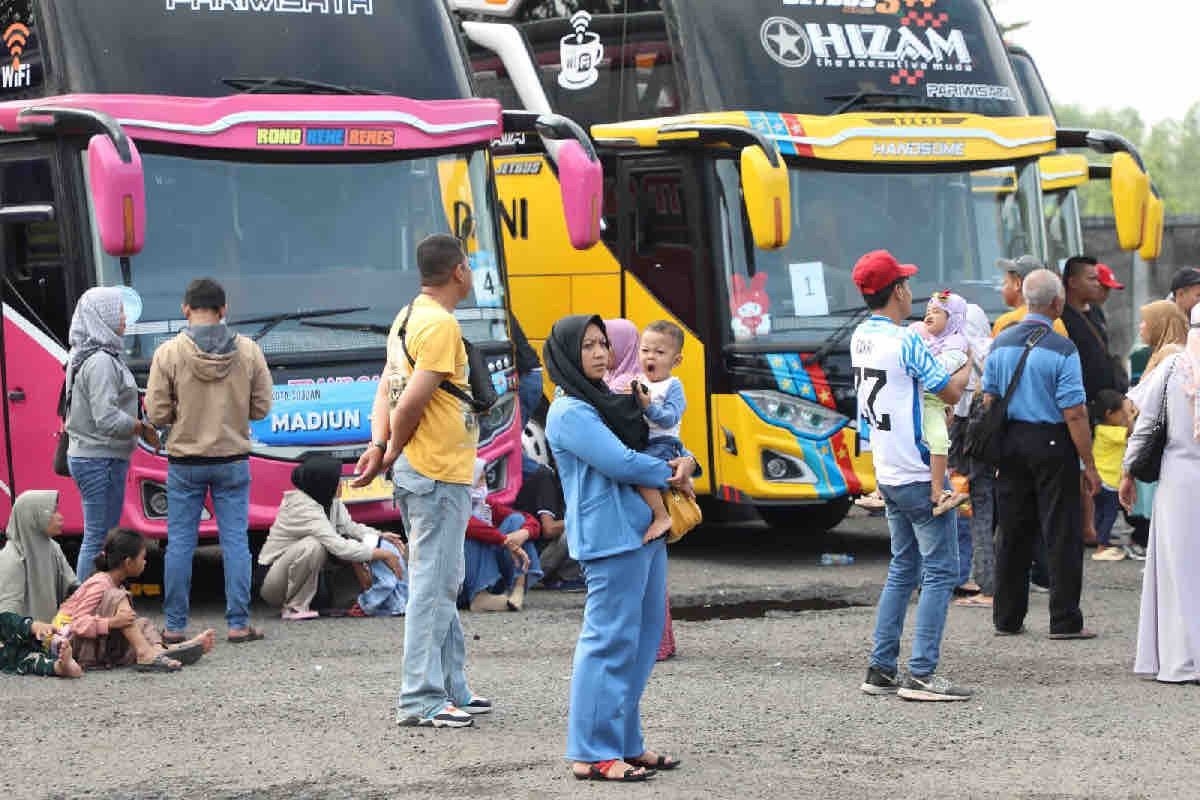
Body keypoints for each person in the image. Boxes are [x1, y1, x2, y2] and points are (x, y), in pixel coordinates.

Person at [544, 314, 694, 781]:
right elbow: (622, 461)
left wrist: (688, 460)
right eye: (587, 345)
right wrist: (676, 472)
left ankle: (626, 743)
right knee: (608, 642)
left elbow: (655, 441)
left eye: (602, 344)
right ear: (568, 354)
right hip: (610, 538)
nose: (599, 353)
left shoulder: (608, 401)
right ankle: (590, 752)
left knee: (642, 641)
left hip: (642, 531)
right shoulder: (570, 412)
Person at [353, 234, 488, 729]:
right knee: (432, 587)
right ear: (458, 271)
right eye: (469, 265)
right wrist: (389, 451)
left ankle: (454, 688)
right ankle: (421, 699)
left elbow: (385, 390)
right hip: (435, 471)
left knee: (443, 581)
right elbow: (409, 402)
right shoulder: (440, 324)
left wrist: (377, 445)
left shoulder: (408, 317)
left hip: (428, 471)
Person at [848, 250, 971, 702]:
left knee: (903, 567)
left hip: (888, 469)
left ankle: (881, 667)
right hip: (921, 470)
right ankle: (921, 673)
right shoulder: (907, 341)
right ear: (897, 290)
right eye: (906, 283)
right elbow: (950, 390)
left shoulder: (860, 335)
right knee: (941, 571)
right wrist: (968, 358)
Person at [145, 278, 272, 646]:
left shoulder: (168, 353)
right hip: (232, 458)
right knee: (235, 541)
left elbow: (156, 412)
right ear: (224, 309)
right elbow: (262, 407)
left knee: (180, 542)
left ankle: (174, 625)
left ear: (185, 309)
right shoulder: (248, 351)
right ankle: (238, 623)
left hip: (185, 461)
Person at [985, 269, 1100, 640]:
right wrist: (1089, 462)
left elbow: (989, 398)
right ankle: (1064, 619)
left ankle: (1007, 617)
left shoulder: (1000, 342)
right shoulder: (1063, 349)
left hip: (1010, 442)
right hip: (1052, 442)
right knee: (1061, 531)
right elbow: (1074, 412)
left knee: (1012, 530)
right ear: (1056, 303)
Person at [1120, 304, 1200, 683]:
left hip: (1179, 477)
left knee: (1177, 566)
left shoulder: (1171, 368)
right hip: (1181, 474)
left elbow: (1146, 424)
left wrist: (1128, 473)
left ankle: (1181, 659)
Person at [64, 287, 160, 582]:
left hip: (98, 455)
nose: (123, 317)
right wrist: (141, 427)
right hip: (99, 458)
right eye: (117, 311)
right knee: (98, 538)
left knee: (101, 535)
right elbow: (105, 418)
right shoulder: (101, 361)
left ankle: (95, 600)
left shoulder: (92, 354)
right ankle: (86, 604)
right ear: (101, 316)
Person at [602, 318, 679, 658]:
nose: (650, 356)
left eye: (605, 345)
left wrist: (646, 405)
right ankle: (653, 642)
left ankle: (662, 515)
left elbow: (669, 422)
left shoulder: (661, 386)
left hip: (658, 449)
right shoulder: (626, 382)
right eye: (646, 350)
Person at [258, 455, 408, 620]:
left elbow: (350, 527)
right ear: (322, 483)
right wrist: (383, 554)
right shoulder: (301, 506)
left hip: (293, 575)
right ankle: (294, 608)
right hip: (273, 581)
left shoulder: (330, 500)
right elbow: (339, 547)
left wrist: (380, 535)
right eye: (337, 480)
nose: (341, 483)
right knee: (313, 545)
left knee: (342, 545)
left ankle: (304, 603)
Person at [57, 528, 215, 672]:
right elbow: (77, 623)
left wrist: (115, 622)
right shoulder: (100, 583)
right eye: (142, 558)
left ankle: (160, 650)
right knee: (117, 597)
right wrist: (111, 623)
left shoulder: (114, 583)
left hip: (94, 643)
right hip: (71, 646)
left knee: (142, 624)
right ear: (128, 562)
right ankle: (146, 653)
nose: (145, 562)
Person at [1124, 300, 1189, 559]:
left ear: (1161, 324)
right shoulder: (1163, 353)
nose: (1141, 327)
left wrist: (1127, 469)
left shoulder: (1171, 357)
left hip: (1167, 453)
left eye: (1146, 322)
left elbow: (1150, 414)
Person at [909, 291, 971, 516]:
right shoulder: (917, 334)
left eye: (936, 312)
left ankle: (937, 492)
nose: (929, 316)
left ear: (953, 319)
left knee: (939, 439)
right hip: (908, 399)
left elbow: (938, 371)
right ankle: (878, 491)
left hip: (933, 402)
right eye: (927, 311)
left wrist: (918, 360)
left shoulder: (957, 344)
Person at [951, 304, 996, 609]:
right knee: (988, 508)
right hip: (990, 438)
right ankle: (992, 579)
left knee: (960, 504)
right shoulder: (995, 350)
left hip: (962, 436)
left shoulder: (955, 350)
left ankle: (984, 584)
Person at [461, 459, 543, 612]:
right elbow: (468, 524)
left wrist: (523, 533)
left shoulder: (486, 505)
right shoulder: (452, 504)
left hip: (496, 577)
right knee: (473, 535)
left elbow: (530, 520)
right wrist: (504, 540)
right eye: (480, 479)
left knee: (517, 521)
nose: (484, 484)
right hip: (461, 584)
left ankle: (518, 588)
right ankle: (480, 596)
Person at [0, 491, 76, 623]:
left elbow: (72, 586)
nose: (60, 517)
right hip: (23, 639)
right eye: (53, 511)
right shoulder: (12, 556)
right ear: (33, 516)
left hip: (53, 635)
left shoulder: (53, 548)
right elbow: (7, 614)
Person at [513, 464, 583, 590]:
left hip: (528, 558)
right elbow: (549, 529)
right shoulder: (545, 477)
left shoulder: (565, 482)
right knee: (580, 526)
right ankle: (566, 578)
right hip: (530, 562)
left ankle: (557, 577)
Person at [1089, 390, 1130, 561]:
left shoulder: (1100, 429)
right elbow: (1130, 432)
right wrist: (1131, 416)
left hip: (1101, 479)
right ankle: (1101, 547)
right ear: (1109, 414)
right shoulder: (1109, 431)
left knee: (1100, 512)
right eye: (1121, 412)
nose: (1123, 415)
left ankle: (1100, 540)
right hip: (1109, 481)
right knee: (1110, 514)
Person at [992, 255, 1068, 337]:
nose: (1001, 288)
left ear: (1017, 284)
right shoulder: (1057, 322)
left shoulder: (1004, 322)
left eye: (1005, 282)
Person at [0, 612, 82, 678]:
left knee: (12, 622)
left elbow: (16, 622)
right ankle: (62, 667)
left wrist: (37, 627)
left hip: (38, 636)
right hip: (19, 657)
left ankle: (38, 627)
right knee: (33, 663)